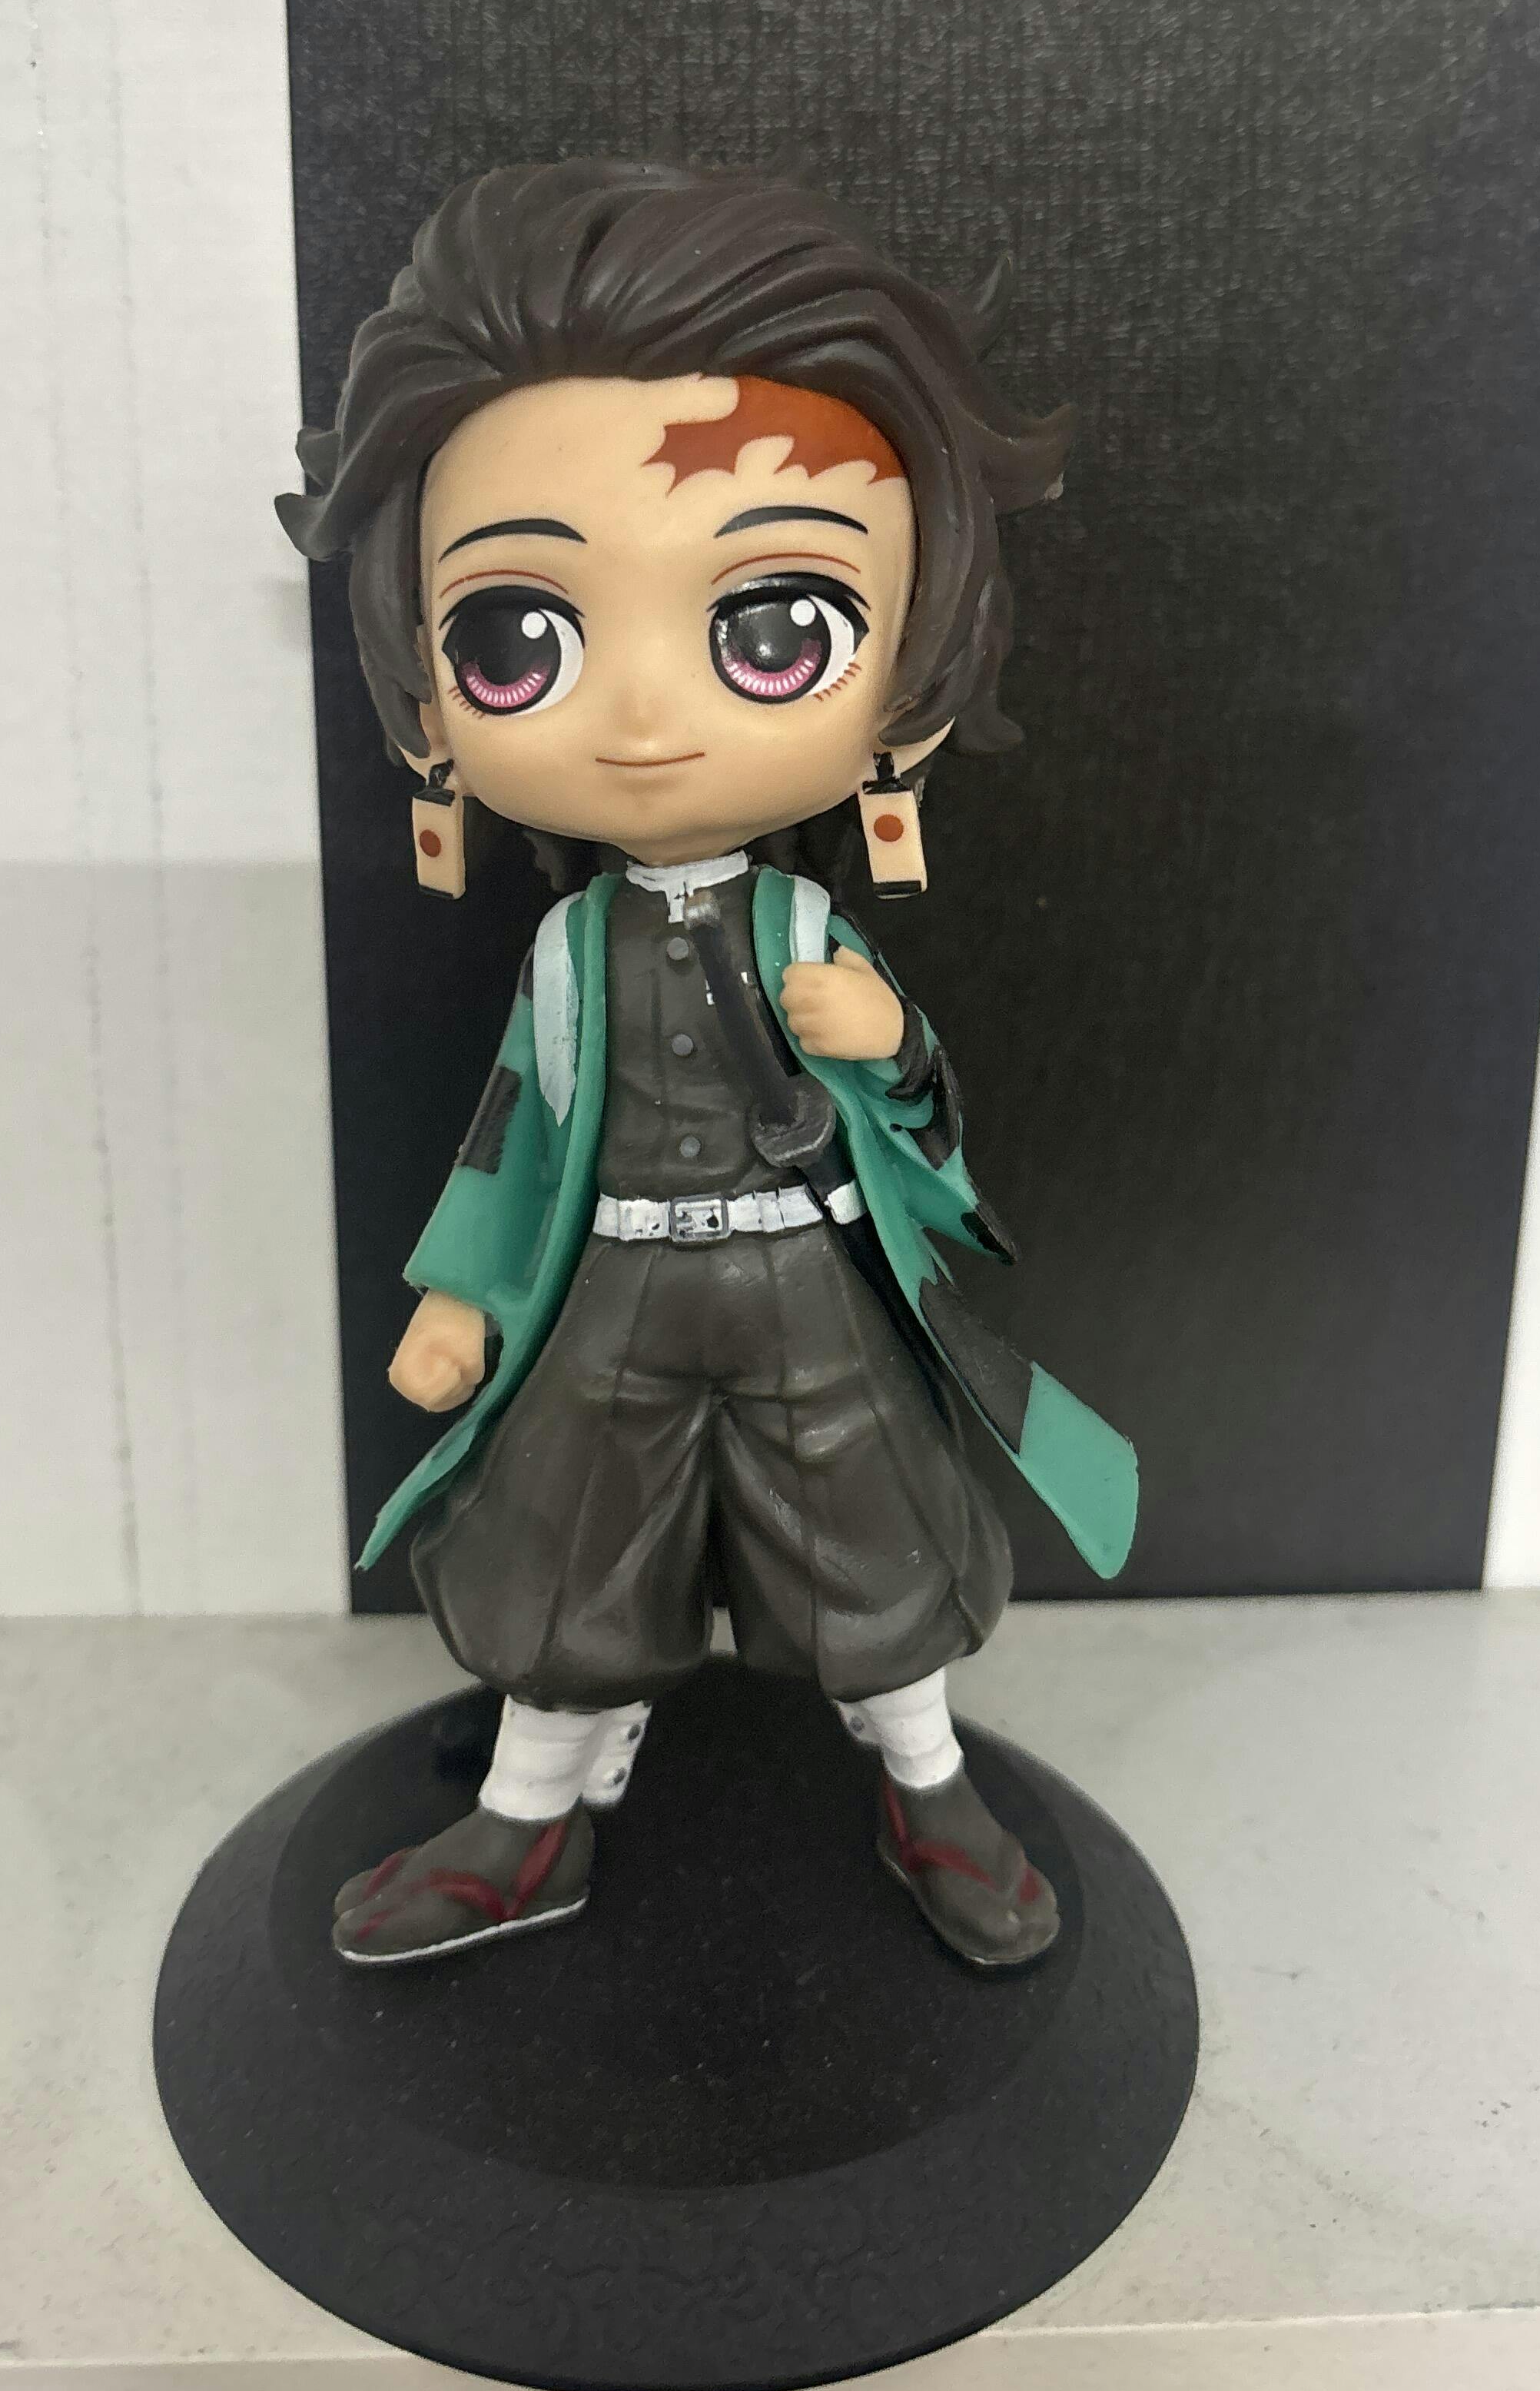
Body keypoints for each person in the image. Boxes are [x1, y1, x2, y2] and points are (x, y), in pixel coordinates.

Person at [278, 159, 1137, 1971]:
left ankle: (931, 1790)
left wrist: (890, 1045)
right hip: (609, 1300)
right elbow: (512, 1140)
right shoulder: (567, 956)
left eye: (774, 626)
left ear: (910, 667)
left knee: (875, 1562)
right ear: (427, 696)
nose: (650, 714)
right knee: (564, 1573)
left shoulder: (810, 932)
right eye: (520, 638)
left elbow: (928, 1142)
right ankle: (527, 1824)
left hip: (806, 1284)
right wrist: (461, 1295)